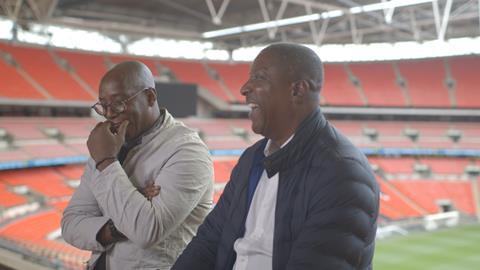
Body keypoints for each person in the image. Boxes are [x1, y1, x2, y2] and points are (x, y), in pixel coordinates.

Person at [172, 43, 379, 270]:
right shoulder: (251, 159)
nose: (244, 88)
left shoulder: (342, 174)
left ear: (297, 91)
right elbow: (209, 241)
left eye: (259, 77)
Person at [61, 61, 213, 270]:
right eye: (103, 105)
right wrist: (124, 216)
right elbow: (70, 224)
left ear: (150, 97)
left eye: (118, 103)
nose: (108, 113)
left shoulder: (188, 151)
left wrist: (106, 162)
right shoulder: (107, 144)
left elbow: (146, 230)